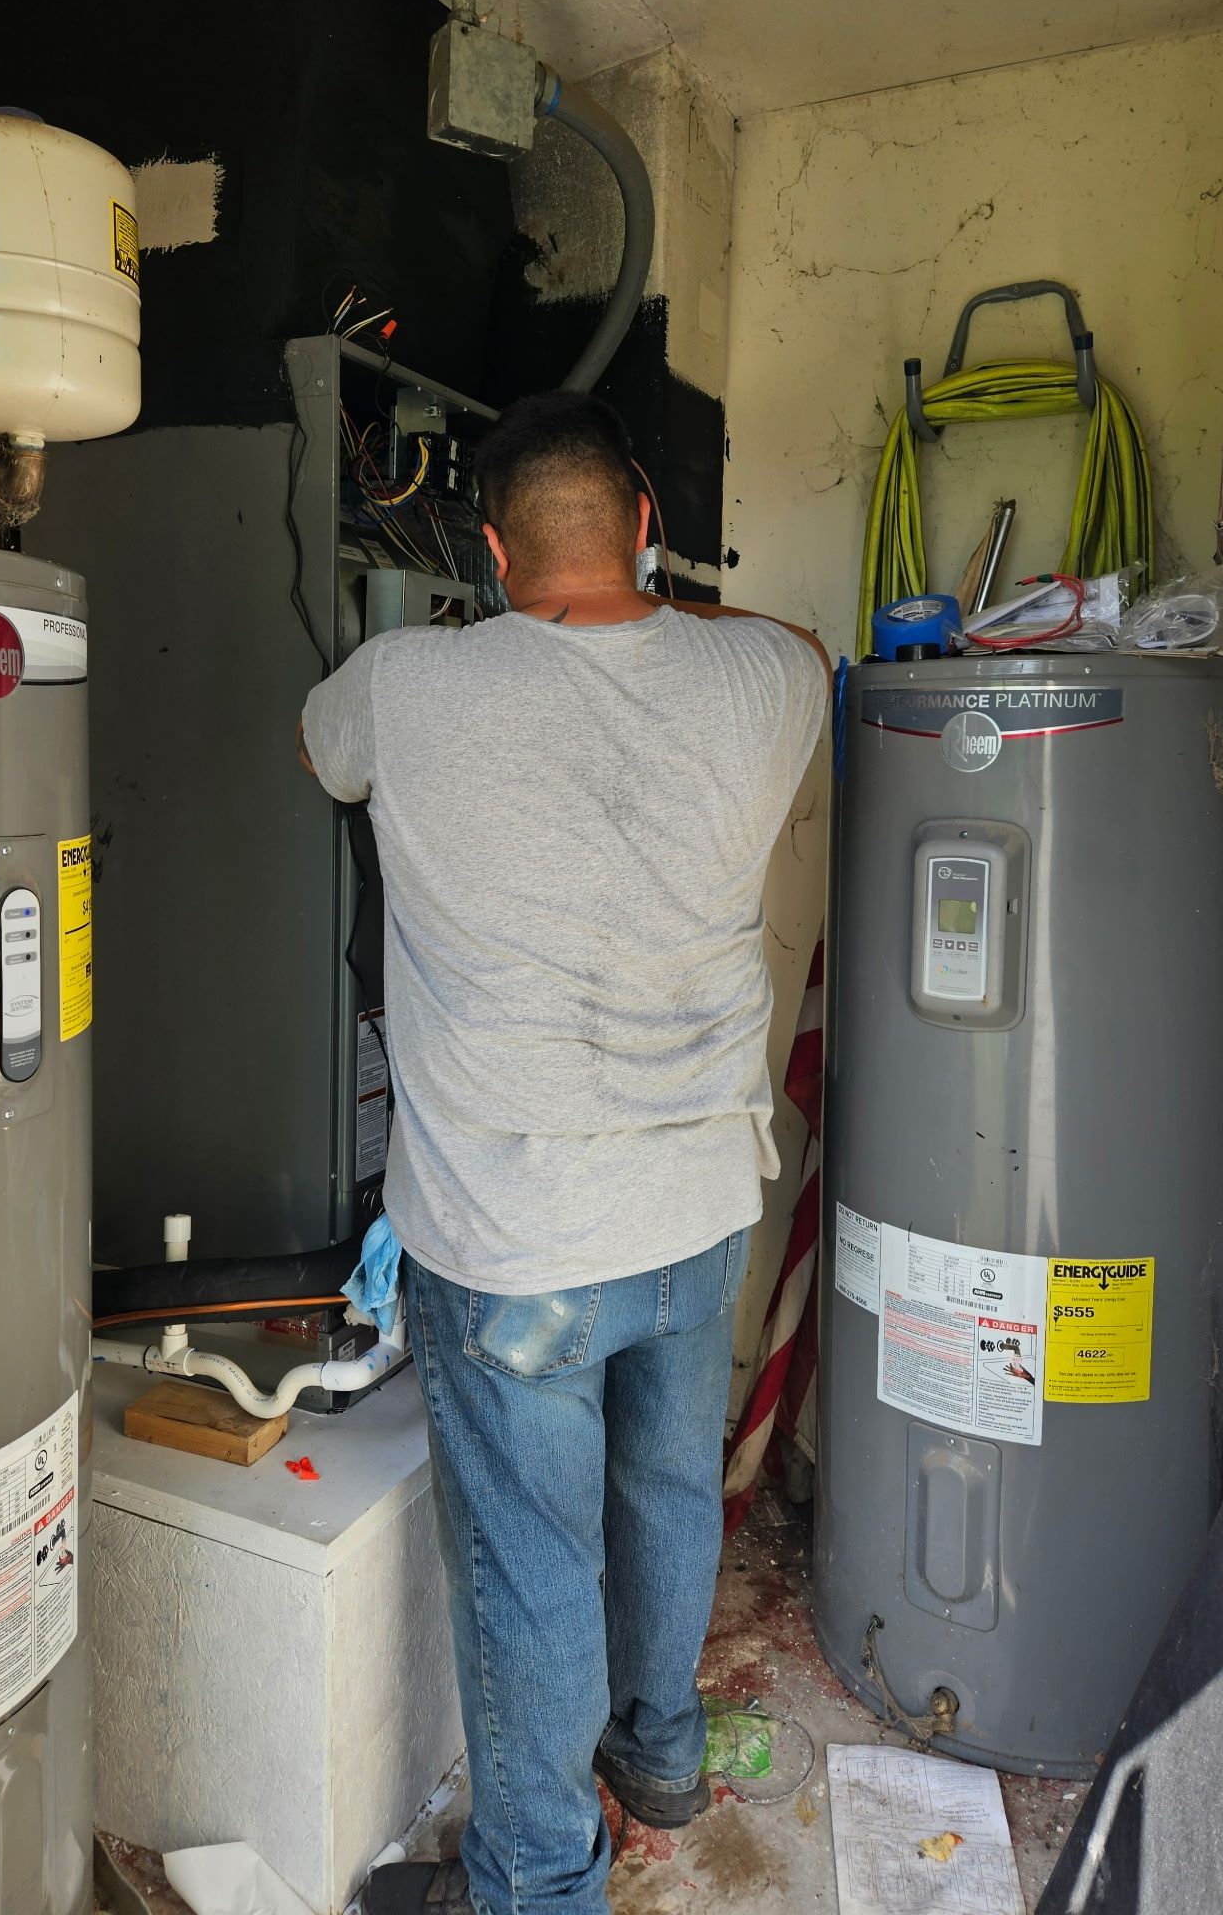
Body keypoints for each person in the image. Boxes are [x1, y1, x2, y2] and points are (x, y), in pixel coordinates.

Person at [298, 391, 831, 1915]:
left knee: (532, 1570)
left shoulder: (406, 681)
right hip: (694, 1208)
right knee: (665, 1486)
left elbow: (312, 746)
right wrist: (669, 605)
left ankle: (538, 1885)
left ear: (485, 543)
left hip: (516, 1232)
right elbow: (804, 651)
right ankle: (659, 1754)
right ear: (650, 528)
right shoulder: (752, 676)